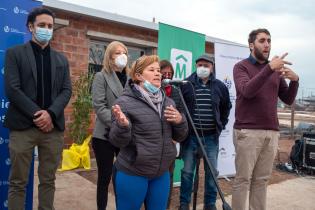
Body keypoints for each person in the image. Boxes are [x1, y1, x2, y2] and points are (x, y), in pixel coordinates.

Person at [4, 7, 72, 210]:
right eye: (42, 25)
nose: (46, 29)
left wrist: (50, 114)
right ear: (30, 27)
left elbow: (67, 90)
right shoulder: (14, 53)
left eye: (50, 26)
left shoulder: (61, 59)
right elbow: (12, 89)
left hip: (52, 129)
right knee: (17, 183)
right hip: (23, 127)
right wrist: (38, 114)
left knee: (48, 181)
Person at [109, 55, 188, 210]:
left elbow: (180, 136)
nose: (158, 73)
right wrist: (123, 126)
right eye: (151, 70)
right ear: (138, 76)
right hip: (133, 173)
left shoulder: (169, 102)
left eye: (158, 70)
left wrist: (180, 121)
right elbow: (118, 142)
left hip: (161, 174)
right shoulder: (124, 103)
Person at [232, 28, 299, 210]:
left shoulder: (275, 71)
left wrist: (295, 80)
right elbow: (247, 90)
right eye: (262, 40)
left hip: (271, 132)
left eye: (269, 40)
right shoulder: (241, 67)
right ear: (252, 45)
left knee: (261, 180)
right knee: (243, 180)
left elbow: (288, 99)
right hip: (248, 131)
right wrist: (270, 68)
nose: (267, 44)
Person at [179, 54, 232, 210]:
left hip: (211, 139)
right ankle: (184, 204)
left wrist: (220, 125)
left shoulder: (220, 86)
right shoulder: (186, 84)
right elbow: (180, 107)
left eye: (206, 65)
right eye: (200, 65)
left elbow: (225, 108)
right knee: (187, 172)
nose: (203, 68)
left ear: (212, 67)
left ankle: (209, 205)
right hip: (190, 137)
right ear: (196, 66)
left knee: (211, 174)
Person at [91, 41, 129, 210]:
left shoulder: (131, 79)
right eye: (117, 53)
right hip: (104, 136)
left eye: (124, 53)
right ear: (109, 56)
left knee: (122, 177)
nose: (122, 56)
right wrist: (118, 124)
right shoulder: (101, 76)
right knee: (104, 177)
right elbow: (99, 106)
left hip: (124, 136)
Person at [160, 59, 185, 209]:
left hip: (171, 142)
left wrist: (176, 138)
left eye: (170, 74)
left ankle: (166, 206)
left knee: (168, 177)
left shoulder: (176, 91)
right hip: (155, 142)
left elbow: (182, 114)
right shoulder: (153, 91)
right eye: (164, 74)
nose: (167, 77)